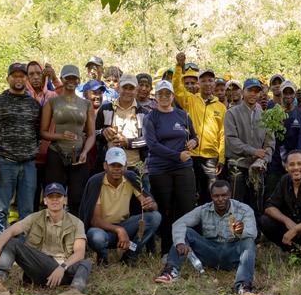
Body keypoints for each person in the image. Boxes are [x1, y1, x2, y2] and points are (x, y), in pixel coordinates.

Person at [0, 183, 93, 295]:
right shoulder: (35, 218)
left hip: (64, 271)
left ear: (65, 200)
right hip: (39, 266)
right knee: (13, 243)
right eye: (51, 197)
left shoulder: (76, 222)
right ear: (45, 200)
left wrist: (62, 267)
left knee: (86, 262)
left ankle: (74, 291)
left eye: (58, 196)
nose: (55, 200)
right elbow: (10, 231)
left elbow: (80, 253)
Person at [154, 180, 258, 295]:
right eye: (216, 196)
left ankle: (243, 285)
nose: (220, 199)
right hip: (209, 251)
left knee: (248, 241)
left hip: (232, 253)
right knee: (185, 232)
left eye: (224, 195)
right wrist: (179, 243)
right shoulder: (204, 209)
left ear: (230, 195)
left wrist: (242, 231)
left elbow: (253, 233)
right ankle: (170, 272)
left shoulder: (244, 209)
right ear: (211, 196)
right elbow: (179, 223)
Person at [0, 63, 42, 242]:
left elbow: (37, 132)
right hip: (5, 162)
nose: (18, 79)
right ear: (8, 78)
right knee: (1, 208)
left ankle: (22, 248)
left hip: (28, 164)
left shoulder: (33, 104)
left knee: (27, 209)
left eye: (22, 76)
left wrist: (31, 150)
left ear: (26, 79)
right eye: (14, 76)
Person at [80, 148, 161, 265]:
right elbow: (95, 221)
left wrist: (151, 205)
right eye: (113, 165)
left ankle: (130, 255)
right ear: (105, 166)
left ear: (126, 166)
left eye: (120, 165)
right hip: (103, 229)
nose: (117, 169)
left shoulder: (131, 178)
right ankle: (103, 258)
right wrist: (119, 230)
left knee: (155, 217)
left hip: (126, 226)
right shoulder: (96, 182)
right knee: (96, 237)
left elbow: (152, 207)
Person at [145, 80, 198, 252]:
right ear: (155, 97)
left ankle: (185, 246)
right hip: (160, 169)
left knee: (186, 207)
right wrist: (176, 155)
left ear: (173, 96)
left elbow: (194, 136)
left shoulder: (183, 115)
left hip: (183, 167)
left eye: (167, 94)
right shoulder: (150, 117)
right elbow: (152, 145)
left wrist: (193, 142)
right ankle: (167, 250)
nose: (164, 97)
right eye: (160, 94)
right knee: (165, 210)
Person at [41, 65, 95, 216]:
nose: (71, 81)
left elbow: (91, 134)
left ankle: (76, 229)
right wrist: (60, 136)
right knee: (55, 196)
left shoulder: (86, 104)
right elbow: (43, 132)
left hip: (78, 155)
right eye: (67, 78)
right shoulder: (52, 102)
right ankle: (53, 227)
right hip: (56, 154)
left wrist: (85, 151)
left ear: (79, 80)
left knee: (77, 197)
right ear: (62, 79)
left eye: (74, 78)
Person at [172, 53, 226, 204]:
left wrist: (221, 157)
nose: (207, 84)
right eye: (203, 81)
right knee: (191, 193)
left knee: (210, 194)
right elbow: (177, 87)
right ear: (199, 84)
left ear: (214, 83)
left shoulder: (221, 107)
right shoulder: (190, 100)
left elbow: (223, 134)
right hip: (192, 155)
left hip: (211, 157)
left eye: (210, 80)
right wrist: (179, 66)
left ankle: (208, 218)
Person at [224, 78, 272, 214]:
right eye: (250, 90)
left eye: (256, 91)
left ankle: (255, 228)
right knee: (236, 206)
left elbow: (270, 142)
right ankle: (234, 228)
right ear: (243, 92)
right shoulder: (231, 113)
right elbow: (231, 140)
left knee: (256, 206)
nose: (253, 94)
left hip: (257, 167)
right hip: (238, 166)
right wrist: (253, 151)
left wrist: (263, 160)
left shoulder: (264, 115)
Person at [97, 73, 149, 180]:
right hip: (110, 166)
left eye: (131, 88)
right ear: (118, 88)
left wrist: (128, 142)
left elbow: (148, 139)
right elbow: (93, 132)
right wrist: (103, 132)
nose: (127, 91)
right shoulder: (106, 108)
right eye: (125, 87)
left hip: (135, 166)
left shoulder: (143, 113)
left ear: (136, 90)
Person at [25, 61, 57, 210]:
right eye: (31, 74)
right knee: (31, 196)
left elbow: (68, 99)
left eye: (39, 73)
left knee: (51, 195)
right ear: (26, 77)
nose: (36, 77)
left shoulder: (52, 96)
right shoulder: (23, 97)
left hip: (50, 154)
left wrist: (54, 79)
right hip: (29, 156)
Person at [265, 81, 301, 200]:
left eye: (291, 93)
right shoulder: (273, 113)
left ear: (295, 94)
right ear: (281, 93)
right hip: (275, 162)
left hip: (294, 163)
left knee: (293, 196)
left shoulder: (300, 113)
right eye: (285, 93)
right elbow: (267, 138)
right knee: (272, 195)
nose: (288, 96)